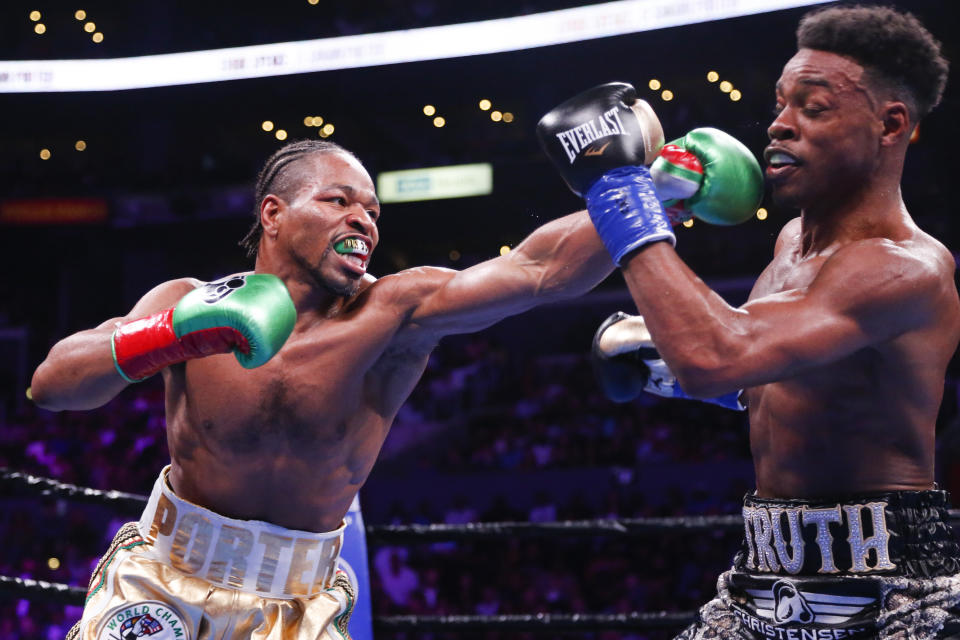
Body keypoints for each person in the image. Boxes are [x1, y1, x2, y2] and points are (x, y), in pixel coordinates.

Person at [31, 124, 757, 639]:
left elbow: (539, 271)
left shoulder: (395, 313)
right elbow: (53, 384)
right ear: (274, 215)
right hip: (163, 571)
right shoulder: (187, 300)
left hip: (296, 604)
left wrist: (650, 189)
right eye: (339, 201)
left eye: (372, 210)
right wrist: (175, 335)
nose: (363, 220)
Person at [538, 5, 960, 638]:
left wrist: (621, 190)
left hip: (891, 589)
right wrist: (658, 365)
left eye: (813, 109)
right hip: (761, 574)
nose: (779, 127)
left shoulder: (906, 268)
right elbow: (770, 378)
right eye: (781, 104)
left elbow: (717, 357)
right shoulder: (791, 242)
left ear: (889, 124)